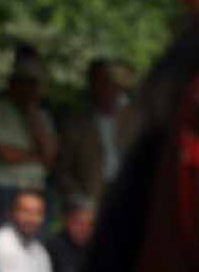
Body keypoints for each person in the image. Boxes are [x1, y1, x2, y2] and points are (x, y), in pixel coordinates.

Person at [0, 45, 60, 212]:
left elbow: (50, 156)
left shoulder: (42, 113)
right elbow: (6, 154)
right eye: (25, 82)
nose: (30, 88)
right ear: (13, 81)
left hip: (36, 187)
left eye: (34, 83)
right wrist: (38, 156)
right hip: (5, 188)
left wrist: (32, 115)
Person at [55, 58, 137, 211]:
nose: (104, 87)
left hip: (131, 196)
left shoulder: (137, 118)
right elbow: (63, 170)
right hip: (90, 202)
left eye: (109, 81)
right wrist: (79, 201)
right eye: (98, 82)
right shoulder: (76, 123)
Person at [46, 197, 95, 272]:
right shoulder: (57, 243)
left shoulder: (92, 243)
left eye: (90, 224)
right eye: (79, 223)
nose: (84, 228)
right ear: (67, 222)